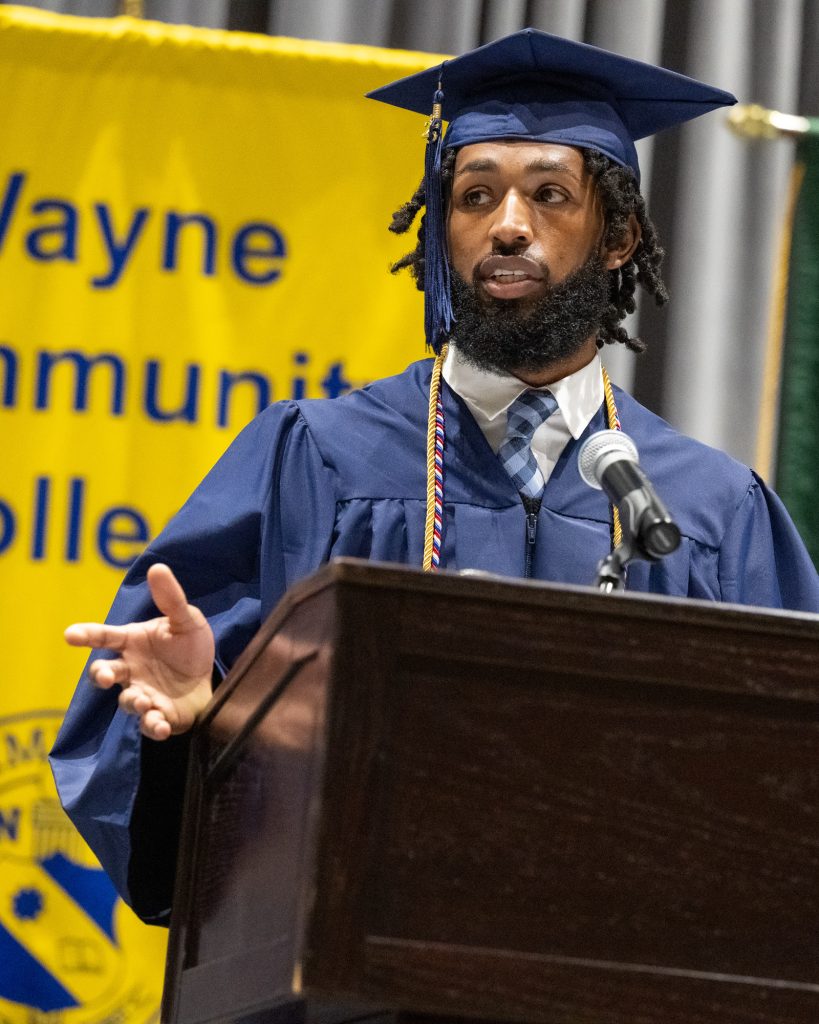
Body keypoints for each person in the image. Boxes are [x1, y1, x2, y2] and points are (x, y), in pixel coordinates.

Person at [52, 29, 819, 927]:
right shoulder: (315, 456)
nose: (505, 223)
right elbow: (148, 760)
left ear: (620, 238)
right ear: (440, 229)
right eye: (474, 194)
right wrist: (202, 720)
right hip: (348, 962)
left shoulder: (711, 508)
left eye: (548, 195)